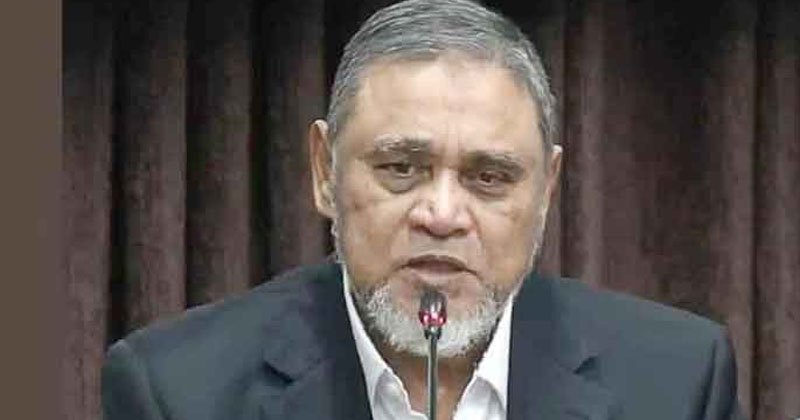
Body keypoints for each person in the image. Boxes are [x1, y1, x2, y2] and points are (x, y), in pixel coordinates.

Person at [102, 1, 745, 419]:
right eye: (400, 169)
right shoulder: (177, 393)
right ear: (324, 171)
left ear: (547, 189)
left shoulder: (677, 382)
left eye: (488, 177)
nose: (441, 215)